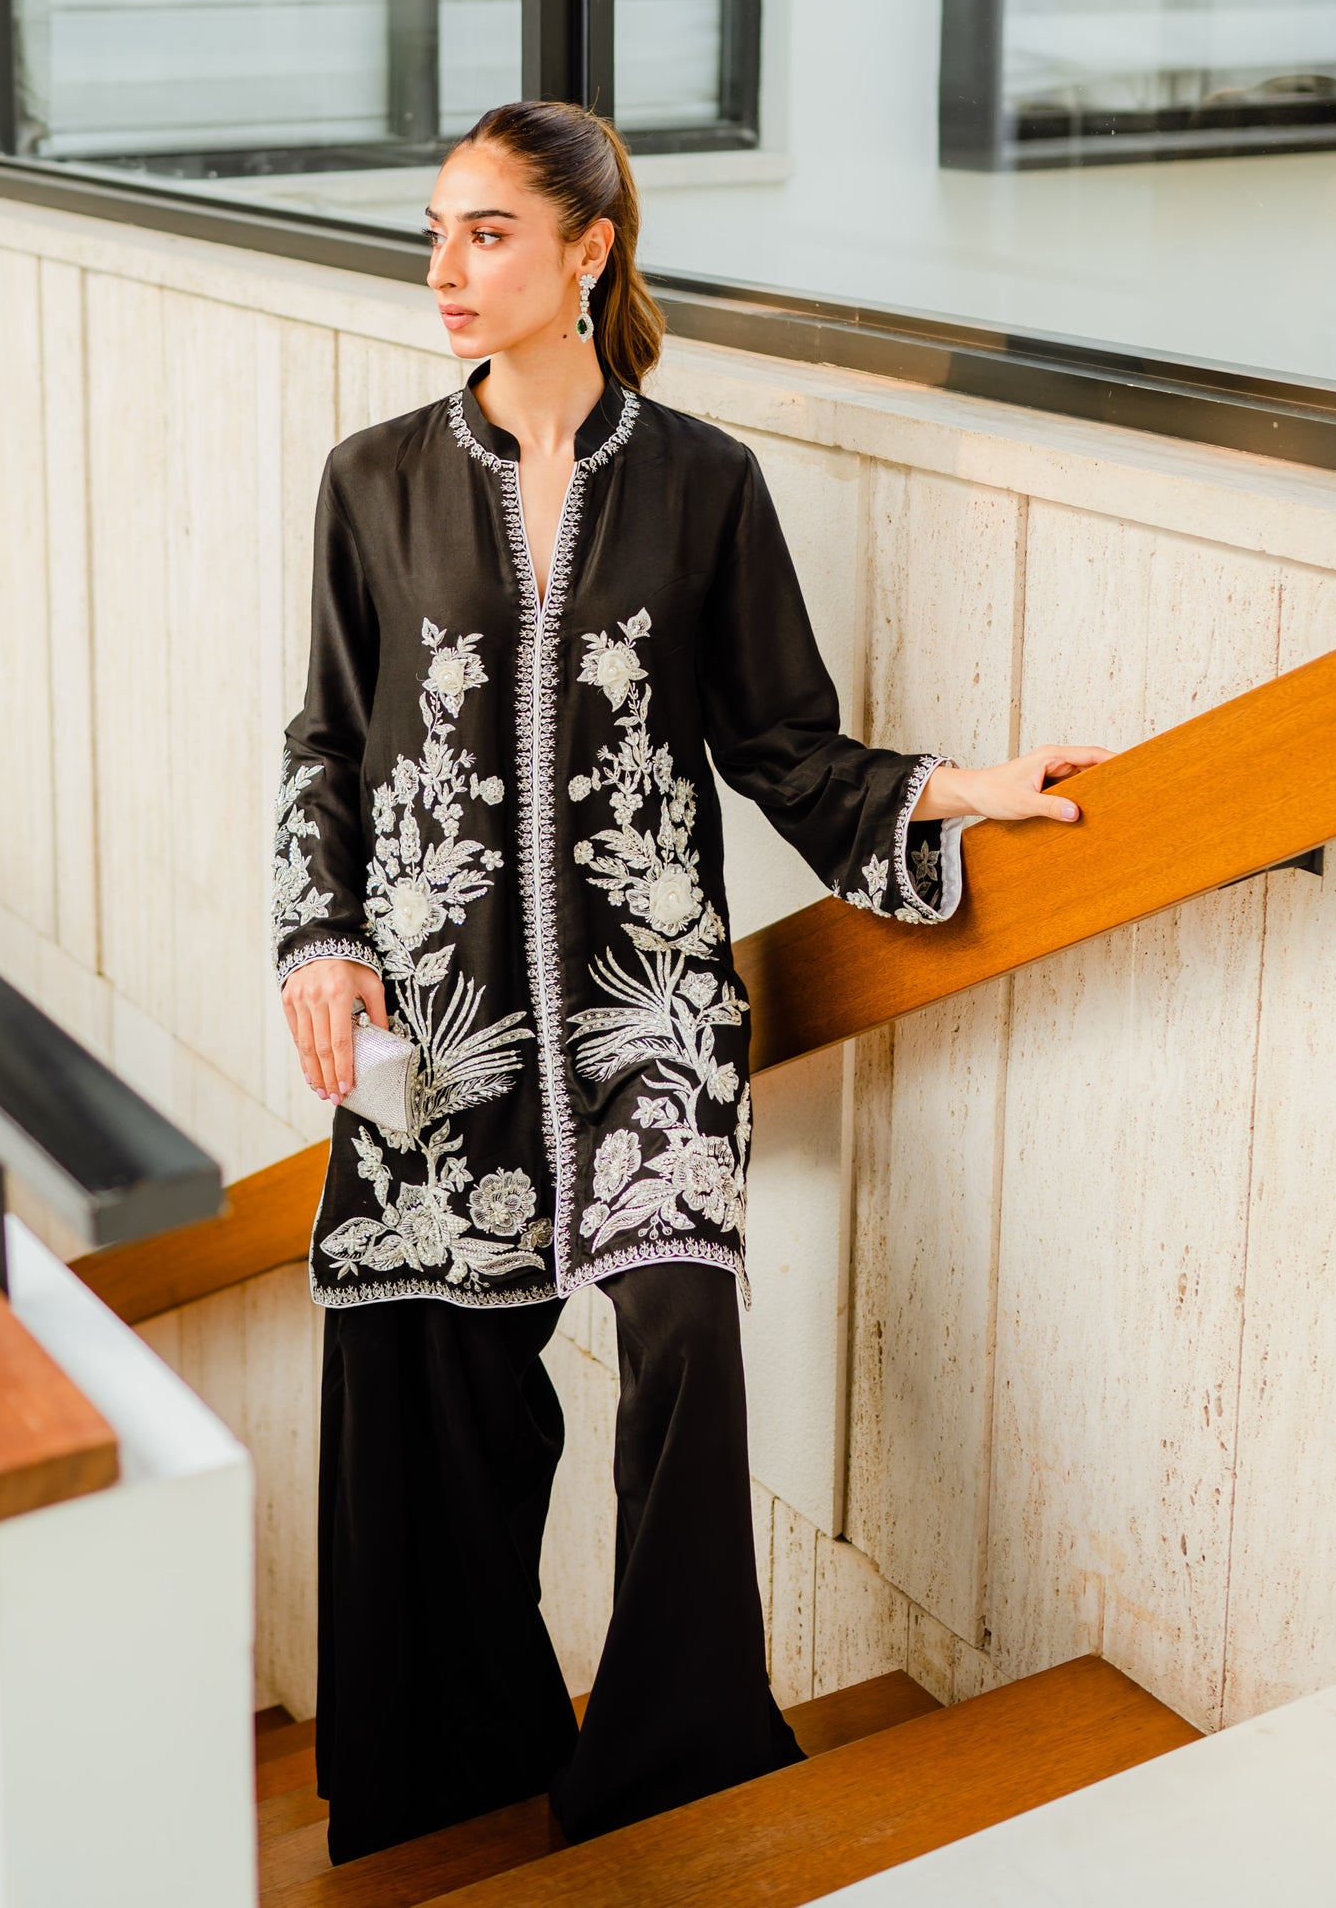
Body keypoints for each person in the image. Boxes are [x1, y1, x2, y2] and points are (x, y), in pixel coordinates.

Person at [274, 101, 1105, 1865]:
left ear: (588, 253)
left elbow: (783, 748)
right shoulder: (371, 480)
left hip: (648, 1016)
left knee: (678, 1345)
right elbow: (327, 744)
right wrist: (319, 940)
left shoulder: (706, 483)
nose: (442, 267)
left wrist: (954, 789)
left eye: (486, 232)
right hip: (439, 1021)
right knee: (443, 1378)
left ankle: (667, 1773)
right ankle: (453, 1765)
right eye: (435, 229)